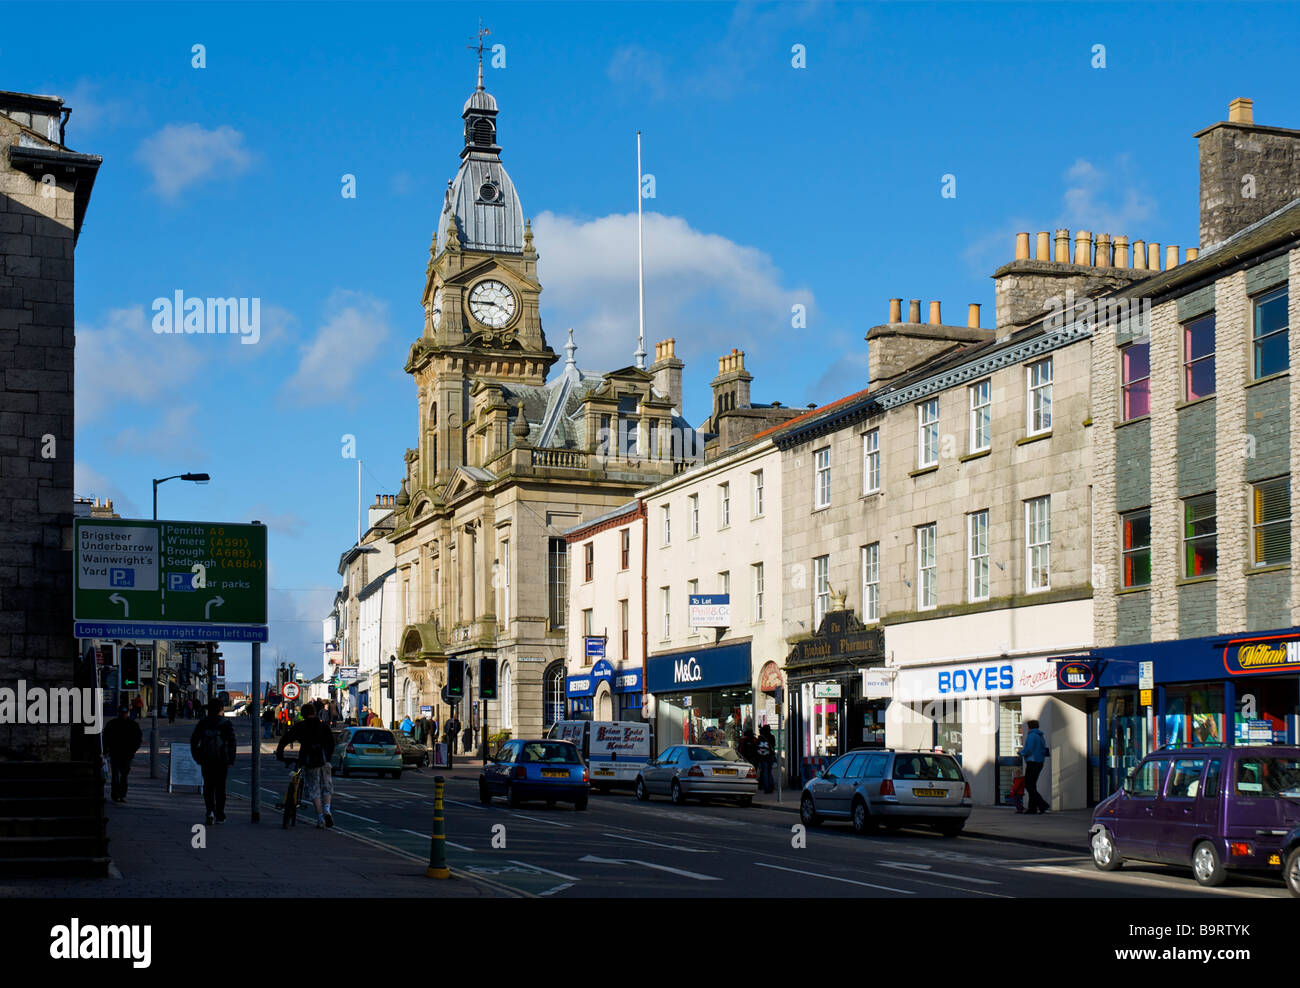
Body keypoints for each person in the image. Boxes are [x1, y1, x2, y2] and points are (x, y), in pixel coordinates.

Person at [276, 699, 336, 829]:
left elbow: (285, 739)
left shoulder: (301, 726)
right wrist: (328, 758)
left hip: (309, 761)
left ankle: (320, 818)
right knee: (326, 786)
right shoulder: (323, 726)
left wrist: (280, 753)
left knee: (314, 789)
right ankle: (327, 810)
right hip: (324, 760)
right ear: (315, 713)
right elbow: (331, 744)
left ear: (303, 714)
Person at [190, 696, 238, 825]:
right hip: (221, 760)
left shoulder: (203, 722)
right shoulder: (225, 723)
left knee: (208, 786)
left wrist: (197, 757)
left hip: (206, 759)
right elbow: (232, 742)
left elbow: (194, 741)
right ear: (221, 709)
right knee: (220, 788)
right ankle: (220, 814)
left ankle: (209, 811)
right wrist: (231, 759)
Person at [103, 706, 142, 804]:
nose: (124, 714)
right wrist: (105, 750)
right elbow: (105, 738)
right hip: (116, 753)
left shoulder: (131, 725)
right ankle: (117, 795)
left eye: (125, 713)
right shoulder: (114, 724)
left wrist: (133, 750)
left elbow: (138, 740)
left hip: (125, 754)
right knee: (117, 775)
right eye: (122, 713)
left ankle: (122, 795)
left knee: (123, 776)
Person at [1018, 719, 1050, 815]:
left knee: (1028, 785)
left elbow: (1029, 749)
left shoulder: (1032, 736)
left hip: (1033, 762)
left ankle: (1042, 804)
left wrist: (1021, 752)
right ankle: (1032, 808)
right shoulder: (1040, 736)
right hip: (1039, 762)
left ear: (1029, 727)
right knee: (1032, 785)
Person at [757, 725, 776, 794]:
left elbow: (757, 747)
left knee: (765, 772)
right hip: (770, 756)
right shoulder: (772, 737)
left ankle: (766, 788)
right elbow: (773, 746)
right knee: (769, 772)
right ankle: (771, 786)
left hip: (763, 757)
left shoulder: (760, 738)